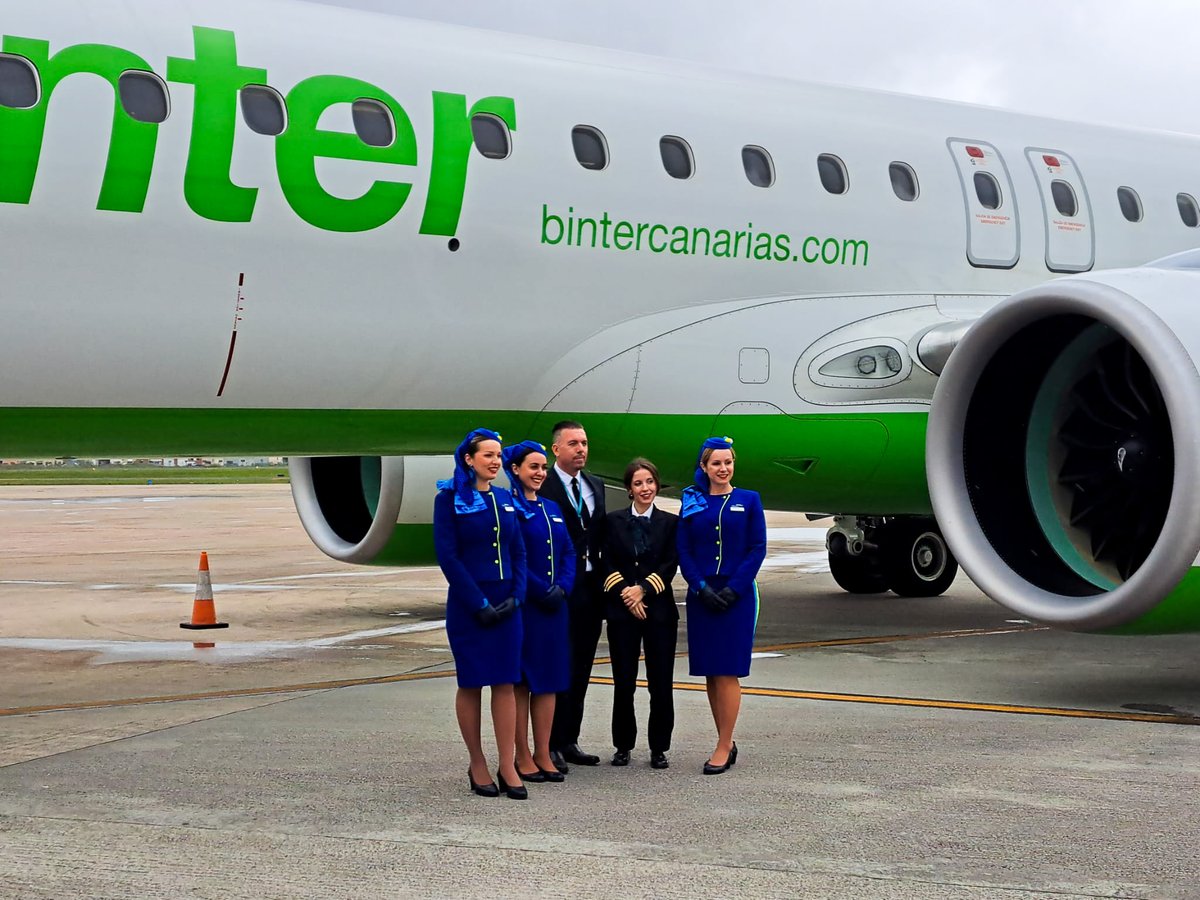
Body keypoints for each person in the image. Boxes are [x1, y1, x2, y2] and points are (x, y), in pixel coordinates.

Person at [433, 428, 529, 800]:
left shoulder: (504, 498)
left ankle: (507, 764)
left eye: (498, 455)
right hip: (469, 604)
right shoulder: (449, 499)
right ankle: (477, 763)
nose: (495, 461)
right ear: (468, 459)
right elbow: (448, 557)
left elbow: (518, 551)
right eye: (488, 455)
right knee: (471, 683)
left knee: (505, 682)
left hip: (507, 604)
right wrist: (478, 603)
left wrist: (517, 596)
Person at [676, 436, 767, 775]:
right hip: (702, 594)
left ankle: (724, 744)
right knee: (711, 671)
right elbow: (684, 549)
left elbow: (757, 548)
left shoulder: (749, 500)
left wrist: (733, 588)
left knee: (727, 670)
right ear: (704, 466)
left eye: (728, 462)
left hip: (736, 595)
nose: (723, 468)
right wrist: (699, 586)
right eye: (716, 463)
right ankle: (724, 739)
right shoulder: (693, 501)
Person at [599, 458, 679, 770]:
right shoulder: (613, 521)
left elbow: (670, 564)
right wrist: (627, 593)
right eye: (638, 483)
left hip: (659, 612)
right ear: (629, 489)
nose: (645, 488)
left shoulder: (670, 523)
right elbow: (606, 561)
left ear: (657, 485)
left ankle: (659, 747)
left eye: (649, 482)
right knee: (624, 682)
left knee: (660, 682)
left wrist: (643, 589)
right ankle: (623, 745)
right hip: (622, 612)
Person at [503, 439, 575, 785]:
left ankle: (543, 752)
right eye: (533, 467)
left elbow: (569, 552)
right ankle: (521, 754)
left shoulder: (551, 507)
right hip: (527, 607)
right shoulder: (509, 508)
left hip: (554, 608)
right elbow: (513, 556)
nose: (540, 473)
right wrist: (538, 589)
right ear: (515, 469)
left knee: (548, 683)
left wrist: (563, 586)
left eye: (543, 467)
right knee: (522, 683)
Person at [538, 419, 606, 771]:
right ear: (556, 449)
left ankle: (569, 740)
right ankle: (548, 744)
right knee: (556, 667)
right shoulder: (544, 485)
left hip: (591, 590)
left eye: (584, 443)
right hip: (559, 589)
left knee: (581, 667)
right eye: (573, 444)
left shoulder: (595, 485)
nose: (581, 449)